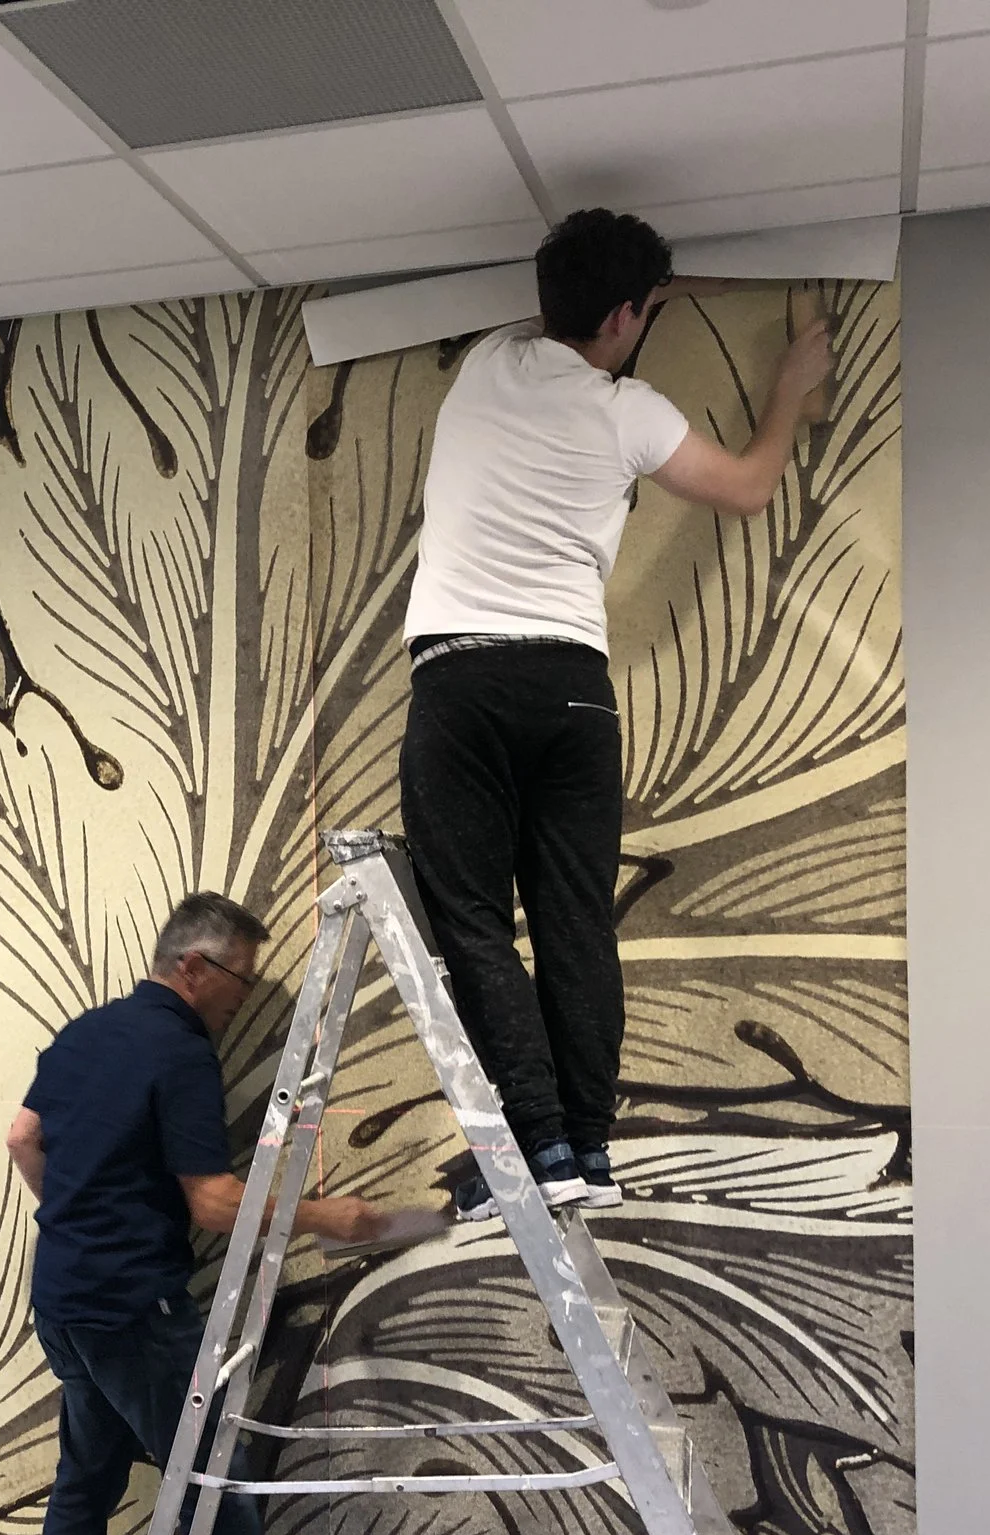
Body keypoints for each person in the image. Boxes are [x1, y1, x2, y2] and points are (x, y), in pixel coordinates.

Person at [400, 207, 832, 1211]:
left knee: (471, 919)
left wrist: (636, 290)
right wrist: (785, 395)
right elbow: (749, 487)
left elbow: (598, 306)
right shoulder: (628, 410)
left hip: (462, 680)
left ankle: (544, 1147)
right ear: (630, 313)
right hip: (570, 691)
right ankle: (589, 1149)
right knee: (575, 923)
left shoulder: (486, 365)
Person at [6, 892, 384, 1535]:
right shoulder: (177, 1050)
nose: (240, 1000)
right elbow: (213, 1203)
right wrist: (333, 1217)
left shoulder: (85, 1033)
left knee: (88, 1473)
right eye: (240, 982)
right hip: (131, 1307)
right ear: (194, 966)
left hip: (64, 1297)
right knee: (210, 1477)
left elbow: (21, 1136)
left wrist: (71, 1218)